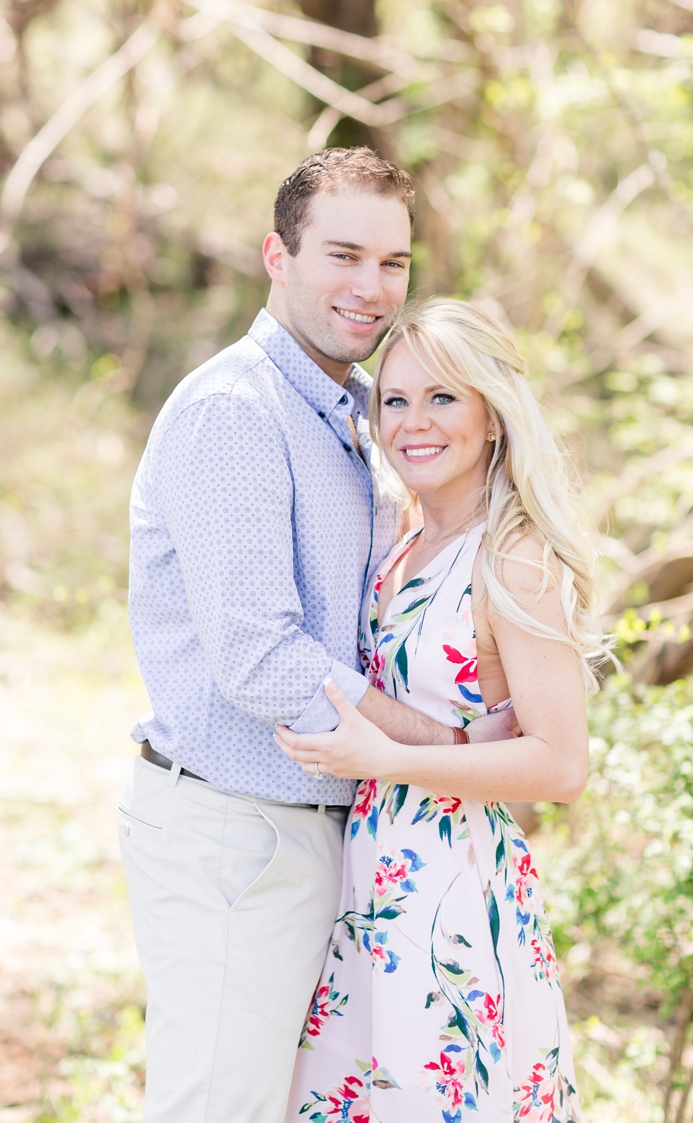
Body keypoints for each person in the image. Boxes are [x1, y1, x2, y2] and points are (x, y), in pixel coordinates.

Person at [120, 148, 510, 1122]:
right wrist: (446, 748)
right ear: (276, 256)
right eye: (343, 255)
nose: (371, 289)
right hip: (237, 832)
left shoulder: (347, 416)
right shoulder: (237, 412)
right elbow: (263, 655)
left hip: (317, 837)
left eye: (393, 264)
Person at [274, 299, 603, 1122]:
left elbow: (562, 764)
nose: (413, 422)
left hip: (453, 891)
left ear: (492, 414)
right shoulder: (401, 542)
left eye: (443, 398)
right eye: (395, 399)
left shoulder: (514, 555)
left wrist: (392, 761)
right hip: (372, 886)